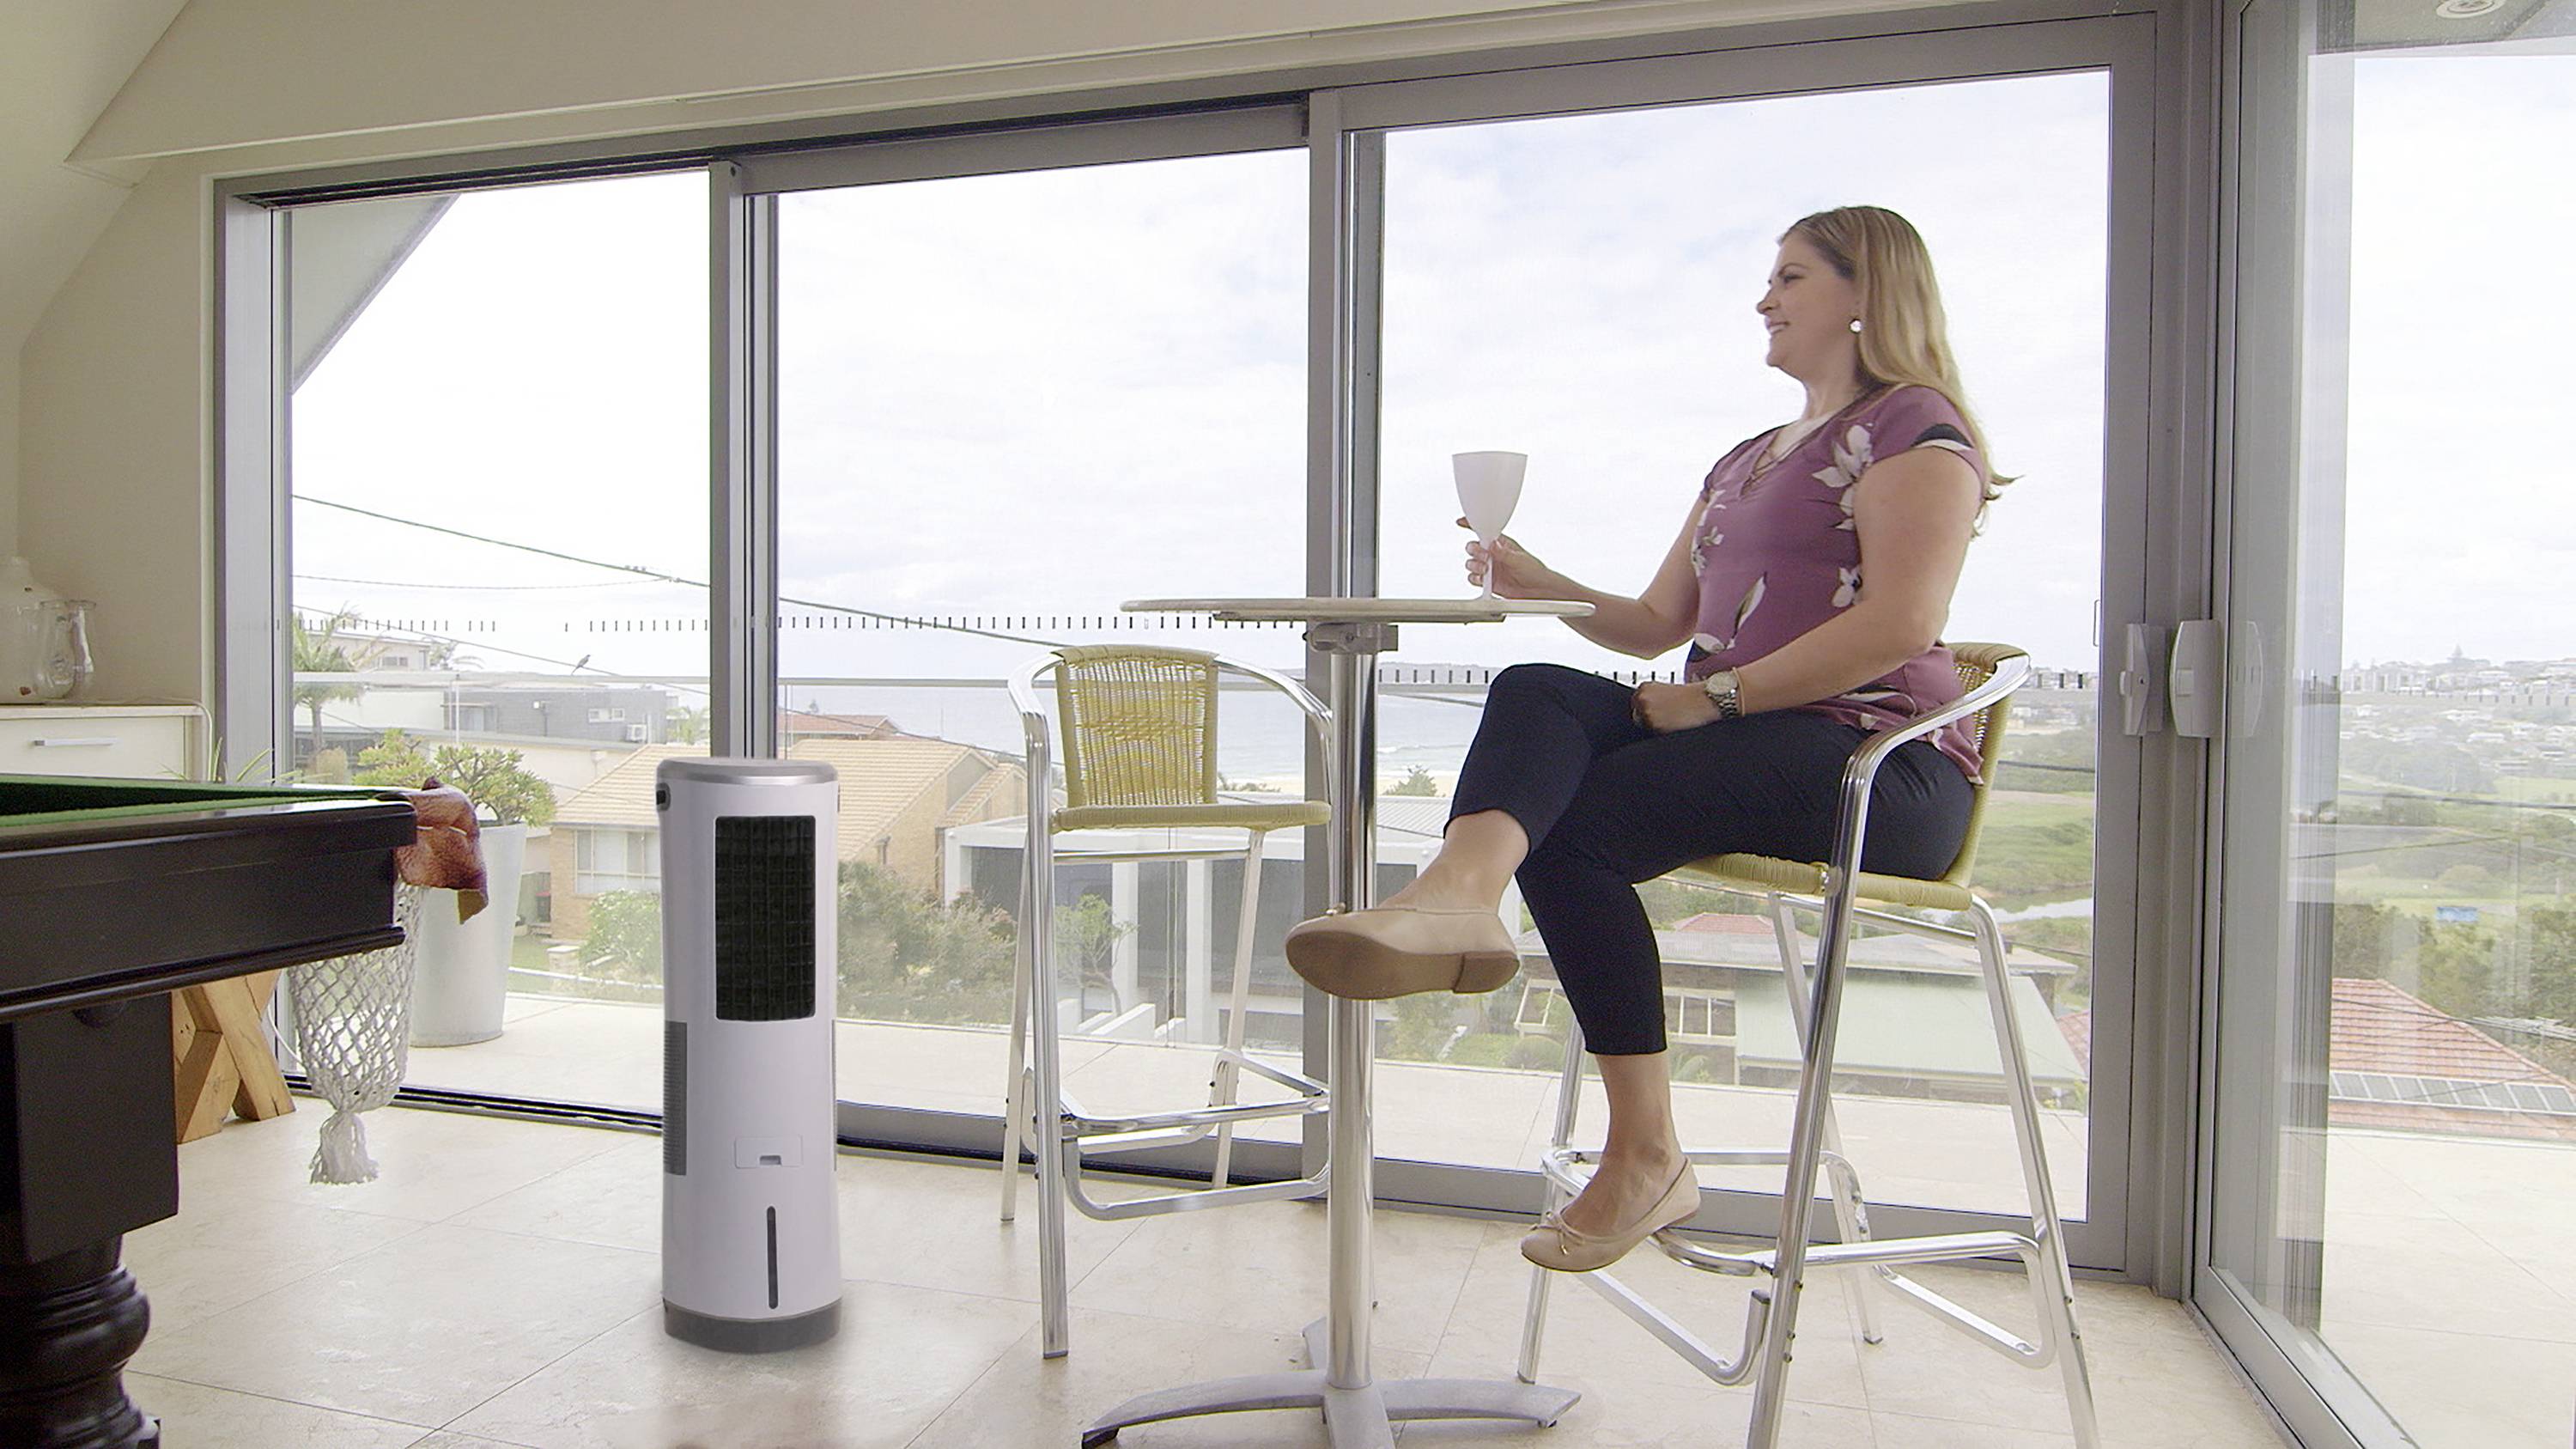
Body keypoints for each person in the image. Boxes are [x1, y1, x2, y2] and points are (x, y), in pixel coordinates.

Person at [1284, 204, 2004, 1273]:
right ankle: (1454, 898)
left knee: (1580, 829)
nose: (1765, 298)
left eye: (1792, 277)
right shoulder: (1747, 460)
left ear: (1865, 294)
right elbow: (1664, 625)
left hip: (1874, 766)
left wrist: (1718, 700)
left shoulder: (1915, 429)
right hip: (1743, 736)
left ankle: (1647, 1152)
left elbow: (1898, 625)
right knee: (1538, 683)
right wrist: (1549, 588)